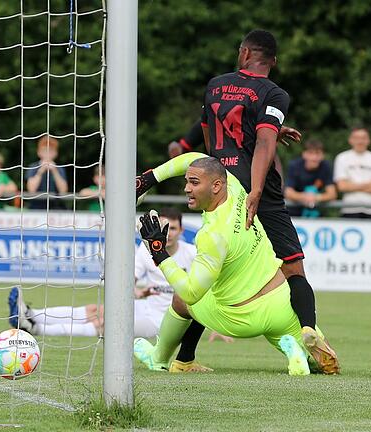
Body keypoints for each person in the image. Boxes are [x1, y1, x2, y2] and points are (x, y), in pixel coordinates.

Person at [136, 29, 336, 373]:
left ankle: (181, 358)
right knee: (292, 269)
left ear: (244, 53)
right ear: (271, 61)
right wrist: (258, 189)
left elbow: (208, 127)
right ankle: (308, 332)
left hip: (221, 188)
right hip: (261, 193)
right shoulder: (274, 93)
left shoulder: (215, 84)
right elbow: (263, 143)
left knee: (209, 276)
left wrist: (181, 149)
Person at [134, 154, 338, 375]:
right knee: (328, 366)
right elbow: (196, 159)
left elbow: (191, 292)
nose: (186, 188)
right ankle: (297, 354)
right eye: (187, 181)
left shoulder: (212, 235)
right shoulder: (236, 187)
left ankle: (159, 359)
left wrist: (159, 253)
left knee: (183, 300)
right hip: (280, 300)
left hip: (240, 316)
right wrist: (149, 178)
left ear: (216, 186)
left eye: (194, 183)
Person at [7, 207, 233, 370]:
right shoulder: (146, 251)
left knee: (108, 323)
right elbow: (129, 284)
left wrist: (216, 325)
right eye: (164, 227)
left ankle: (36, 329)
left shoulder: (192, 253)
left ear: (182, 230)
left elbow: (211, 288)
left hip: (162, 320)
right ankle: (31, 315)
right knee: (98, 309)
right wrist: (137, 293)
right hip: (146, 306)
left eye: (173, 228)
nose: (168, 232)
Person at [333, 127, 371, 218]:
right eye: (356, 138)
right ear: (350, 140)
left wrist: (352, 185)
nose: (360, 141)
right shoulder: (342, 158)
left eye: (363, 138)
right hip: (349, 209)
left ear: (369, 140)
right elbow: (342, 186)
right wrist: (369, 185)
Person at [284, 139, 337, 217]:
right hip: (293, 212)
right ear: (304, 154)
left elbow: (332, 194)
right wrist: (305, 196)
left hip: (316, 212)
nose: (314, 157)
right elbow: (288, 193)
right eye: (311, 153)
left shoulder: (325, 166)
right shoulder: (295, 166)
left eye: (318, 153)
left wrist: (316, 197)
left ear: (323, 155)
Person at [24, 135, 69, 209]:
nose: (47, 153)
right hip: (36, 207)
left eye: (51, 151)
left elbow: (63, 191)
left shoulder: (59, 168)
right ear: (39, 152)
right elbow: (31, 190)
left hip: (56, 207)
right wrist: (40, 171)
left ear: (55, 153)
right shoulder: (33, 167)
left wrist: (55, 171)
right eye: (45, 150)